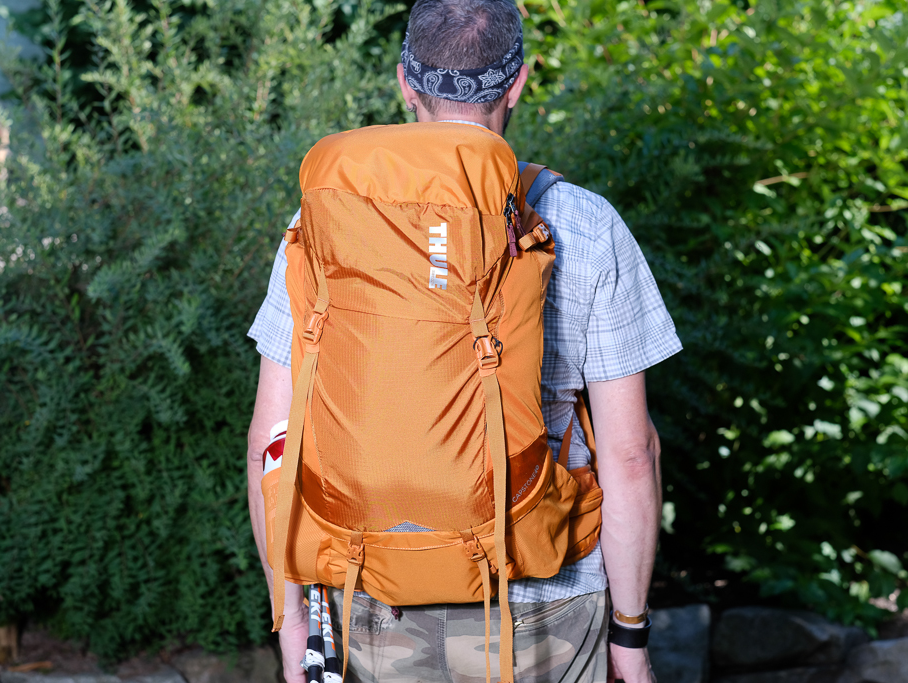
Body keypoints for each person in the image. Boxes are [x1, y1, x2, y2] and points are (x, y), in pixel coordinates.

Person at [246, 1, 681, 681]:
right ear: (518, 83)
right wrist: (629, 634)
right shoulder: (585, 225)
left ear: (403, 83)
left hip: (371, 597)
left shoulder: (322, 220)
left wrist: (294, 619)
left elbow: (270, 440)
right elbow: (631, 455)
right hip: (545, 608)